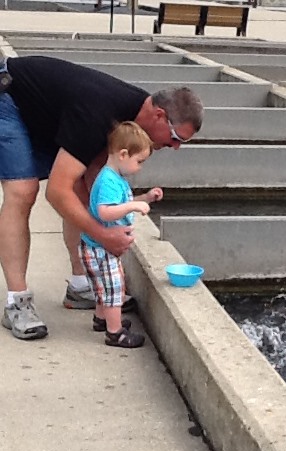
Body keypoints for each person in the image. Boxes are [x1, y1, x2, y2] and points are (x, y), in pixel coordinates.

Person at [0, 55, 203, 340]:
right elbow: (57, 192)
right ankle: (17, 302)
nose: (175, 147)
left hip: (46, 111)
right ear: (159, 115)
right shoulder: (98, 113)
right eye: (175, 138)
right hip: (8, 96)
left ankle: (81, 284)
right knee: (23, 190)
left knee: (86, 190)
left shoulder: (129, 120)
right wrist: (103, 235)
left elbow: (92, 185)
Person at [82, 122, 161, 348]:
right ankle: (115, 333)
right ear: (123, 154)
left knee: (102, 287)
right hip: (101, 248)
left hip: (97, 246)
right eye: (139, 161)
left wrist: (145, 198)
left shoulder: (115, 178)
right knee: (115, 288)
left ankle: (101, 319)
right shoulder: (108, 180)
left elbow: (122, 203)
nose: (140, 167)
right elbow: (105, 212)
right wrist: (133, 208)